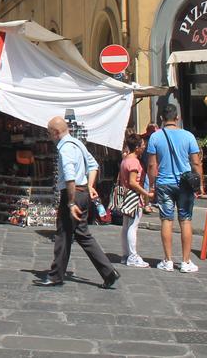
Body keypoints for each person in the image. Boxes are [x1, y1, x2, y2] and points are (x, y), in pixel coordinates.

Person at [35, 116, 119, 289]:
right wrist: (89, 186)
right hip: (83, 193)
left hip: (73, 195)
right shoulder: (78, 143)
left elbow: (70, 177)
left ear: (56, 132)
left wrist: (71, 203)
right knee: (81, 234)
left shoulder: (65, 148)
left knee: (63, 234)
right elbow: (94, 165)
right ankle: (108, 272)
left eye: (50, 133)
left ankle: (56, 275)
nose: (50, 136)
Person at [146, 104, 204, 273]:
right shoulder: (188, 136)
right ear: (177, 118)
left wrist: (151, 184)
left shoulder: (155, 137)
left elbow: (151, 164)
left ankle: (168, 260)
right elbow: (196, 162)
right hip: (185, 184)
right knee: (185, 220)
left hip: (164, 183)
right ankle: (186, 261)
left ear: (162, 119)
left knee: (166, 220)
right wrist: (199, 184)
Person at [118, 134, 150, 268]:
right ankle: (132, 256)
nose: (144, 147)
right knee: (132, 226)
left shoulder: (125, 160)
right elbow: (133, 182)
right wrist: (146, 193)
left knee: (126, 226)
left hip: (126, 195)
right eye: (142, 145)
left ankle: (126, 255)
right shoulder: (134, 162)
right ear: (137, 147)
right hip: (133, 197)